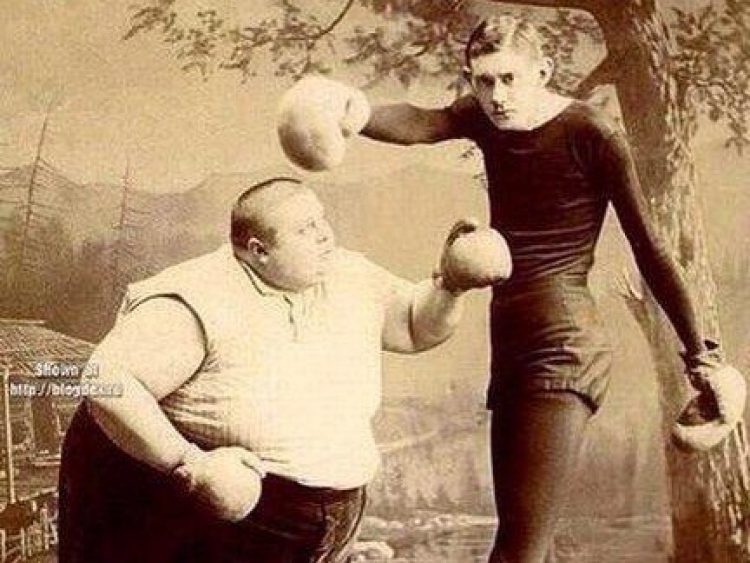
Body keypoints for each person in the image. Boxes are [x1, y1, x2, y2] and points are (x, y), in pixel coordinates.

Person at [276, 15, 746, 563]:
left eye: (509, 79)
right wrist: (355, 115)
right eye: (484, 80)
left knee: (517, 553)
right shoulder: (484, 116)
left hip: (565, 347)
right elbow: (425, 122)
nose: (497, 95)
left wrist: (703, 358)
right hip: (515, 344)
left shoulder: (591, 132)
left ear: (543, 71)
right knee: (528, 544)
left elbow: (652, 249)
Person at [57, 176, 507, 562]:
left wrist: (449, 285)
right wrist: (191, 464)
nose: (325, 236)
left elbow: (412, 326)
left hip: (325, 522)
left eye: (322, 220)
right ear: (259, 251)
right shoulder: (196, 298)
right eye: (306, 229)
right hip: (225, 523)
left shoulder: (347, 275)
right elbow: (107, 380)